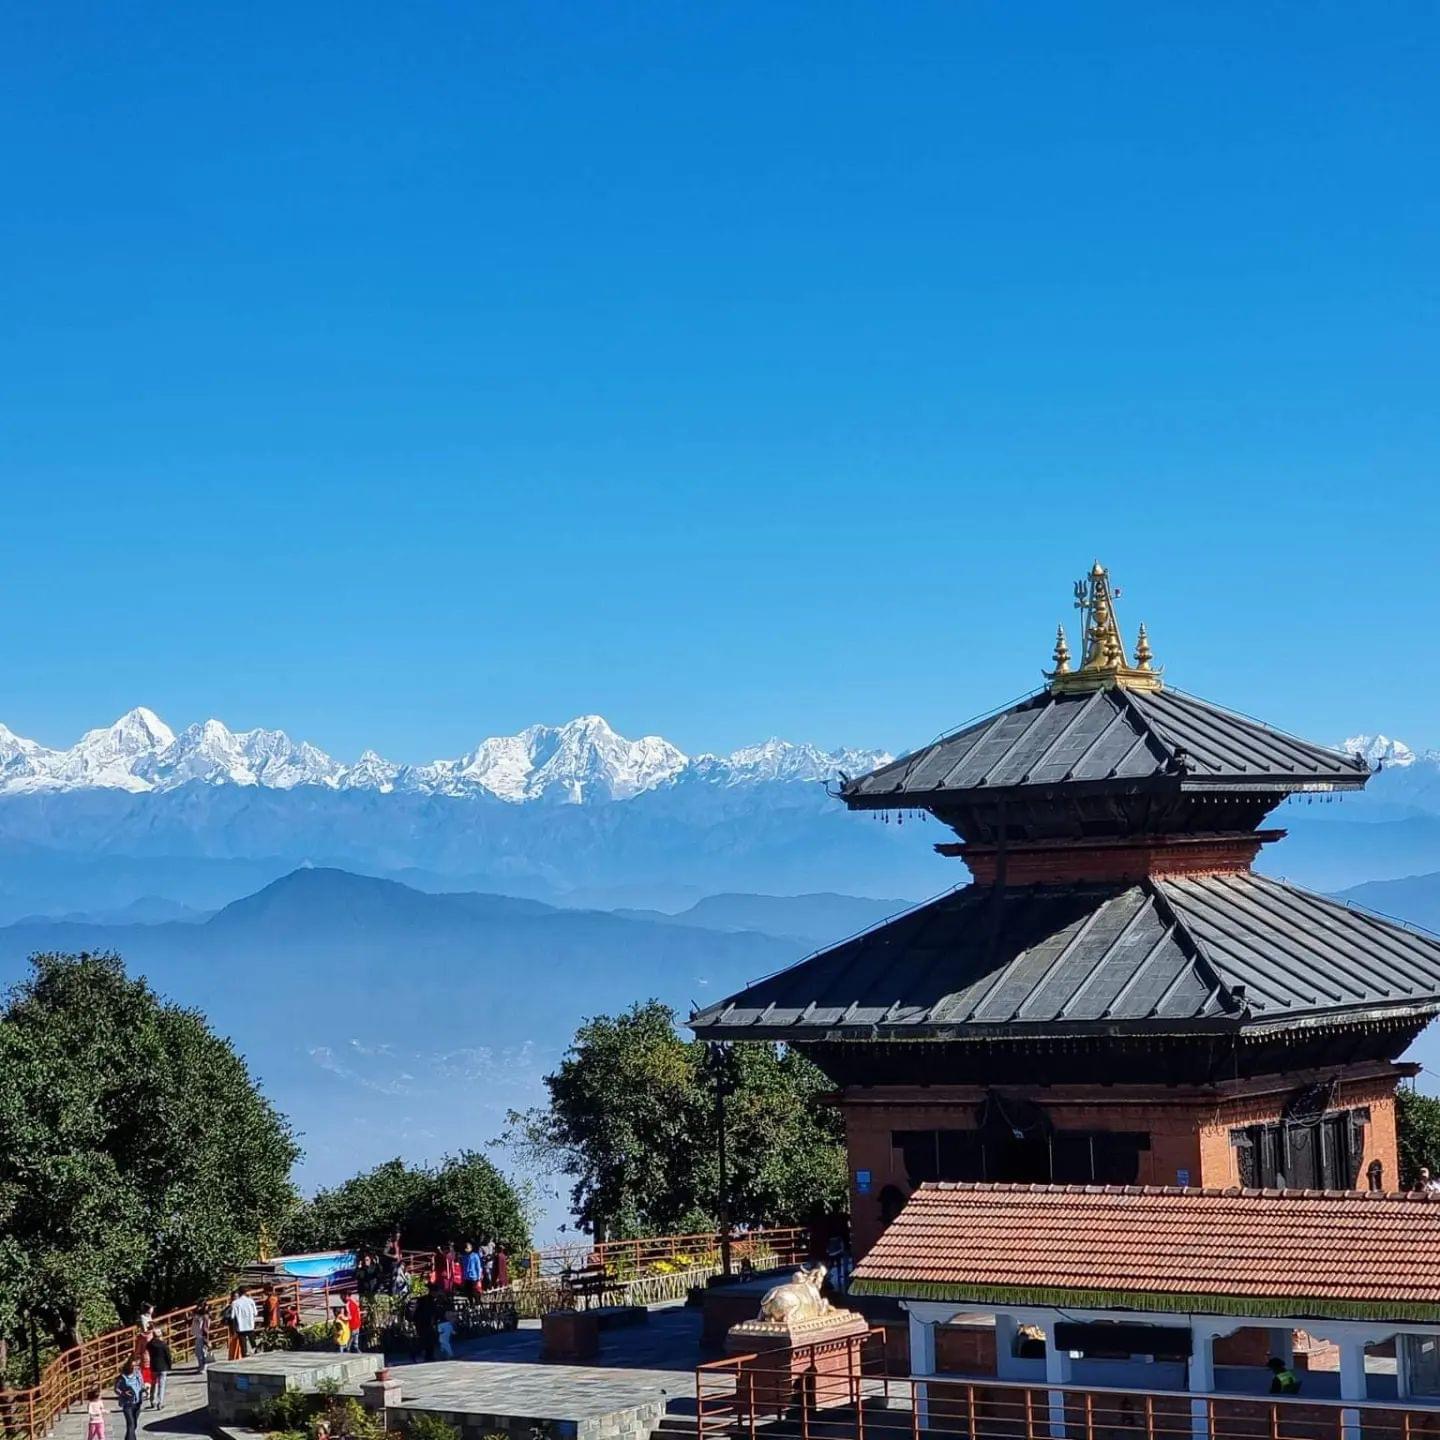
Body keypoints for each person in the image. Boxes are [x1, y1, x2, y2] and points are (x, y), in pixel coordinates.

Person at [115, 1361, 144, 1440]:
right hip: (127, 1403)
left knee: (134, 1424)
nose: (135, 1368)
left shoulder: (138, 1374)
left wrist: (144, 1390)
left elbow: (141, 1384)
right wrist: (123, 1393)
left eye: (136, 1366)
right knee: (130, 1424)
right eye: (133, 1366)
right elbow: (116, 1389)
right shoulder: (122, 1378)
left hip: (137, 1402)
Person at [230, 1285, 258, 1357]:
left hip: (240, 1325)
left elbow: (232, 1316)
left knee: (243, 1343)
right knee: (252, 1340)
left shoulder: (235, 1303)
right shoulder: (251, 1301)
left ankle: (244, 1354)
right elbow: (255, 1313)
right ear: (246, 1292)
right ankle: (255, 1351)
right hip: (250, 1324)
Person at [148, 1327, 173, 1410]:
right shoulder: (163, 1345)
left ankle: (152, 1401)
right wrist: (169, 1366)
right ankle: (160, 1402)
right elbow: (168, 1356)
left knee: (153, 1384)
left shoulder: (150, 1344)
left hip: (154, 1366)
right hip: (163, 1367)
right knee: (161, 1386)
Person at [192, 1306, 211, 1372]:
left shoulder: (203, 1318)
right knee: (199, 1352)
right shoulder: (200, 1317)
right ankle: (202, 1366)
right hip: (200, 1335)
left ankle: (203, 1367)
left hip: (202, 1336)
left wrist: (206, 1337)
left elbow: (205, 1328)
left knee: (202, 1352)